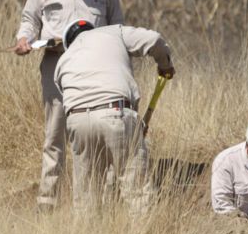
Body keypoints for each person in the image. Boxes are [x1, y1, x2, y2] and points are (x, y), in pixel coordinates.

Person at [13, 0, 124, 211]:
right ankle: (48, 201)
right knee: (55, 134)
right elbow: (30, 19)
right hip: (56, 66)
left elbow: (117, 27)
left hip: (97, 68)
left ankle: (101, 200)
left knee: (99, 133)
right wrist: (24, 38)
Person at [54, 19, 174, 214]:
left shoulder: (62, 62)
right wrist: (165, 65)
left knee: (86, 200)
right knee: (138, 194)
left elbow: (75, 100)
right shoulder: (113, 32)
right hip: (116, 113)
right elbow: (154, 40)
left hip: (77, 121)